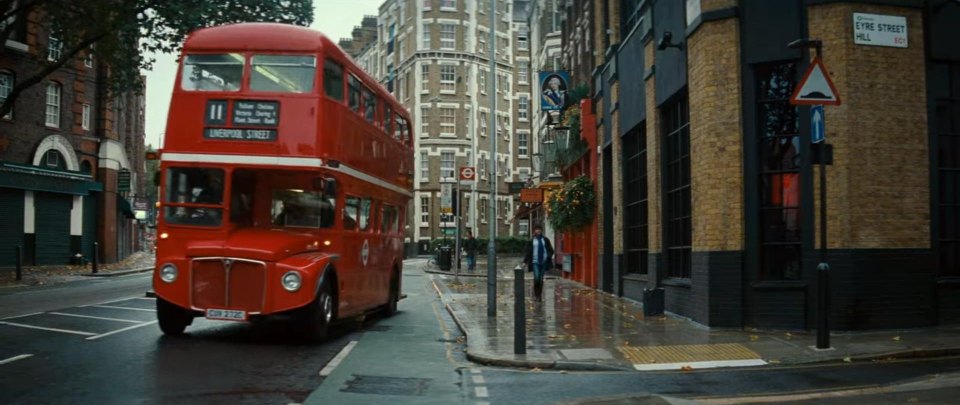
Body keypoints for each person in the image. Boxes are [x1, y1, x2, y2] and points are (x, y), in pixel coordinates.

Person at [523, 224, 554, 301]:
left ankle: (539, 296)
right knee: (536, 278)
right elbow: (528, 252)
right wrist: (525, 261)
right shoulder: (532, 240)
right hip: (535, 262)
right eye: (537, 229)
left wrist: (548, 256)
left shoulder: (545, 240)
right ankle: (536, 294)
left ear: (541, 230)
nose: (538, 231)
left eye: (539, 229)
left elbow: (550, 249)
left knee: (540, 279)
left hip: (544, 262)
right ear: (534, 231)